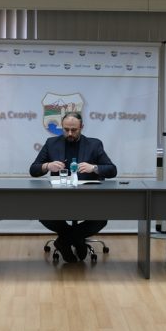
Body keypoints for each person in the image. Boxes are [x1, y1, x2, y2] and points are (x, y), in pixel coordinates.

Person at [29, 112, 117, 263]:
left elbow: (112, 170)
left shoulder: (94, 144)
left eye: (74, 130)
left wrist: (94, 168)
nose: (69, 133)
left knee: (101, 219)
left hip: (87, 198)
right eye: (66, 129)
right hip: (59, 198)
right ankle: (77, 240)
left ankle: (63, 241)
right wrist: (47, 166)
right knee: (44, 215)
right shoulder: (51, 143)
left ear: (81, 127)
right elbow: (33, 170)